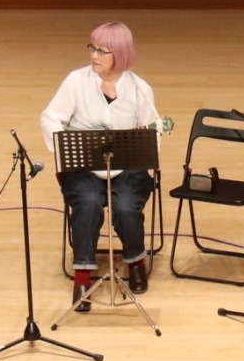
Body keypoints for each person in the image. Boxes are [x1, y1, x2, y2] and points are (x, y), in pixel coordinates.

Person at [39, 22, 160, 311]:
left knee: (126, 206)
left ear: (120, 54)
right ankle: (82, 277)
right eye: (92, 48)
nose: (94, 55)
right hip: (84, 166)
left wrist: (144, 146)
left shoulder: (140, 89)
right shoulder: (75, 81)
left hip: (127, 166)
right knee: (89, 203)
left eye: (102, 51)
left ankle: (136, 261)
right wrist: (66, 144)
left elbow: (153, 130)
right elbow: (50, 118)